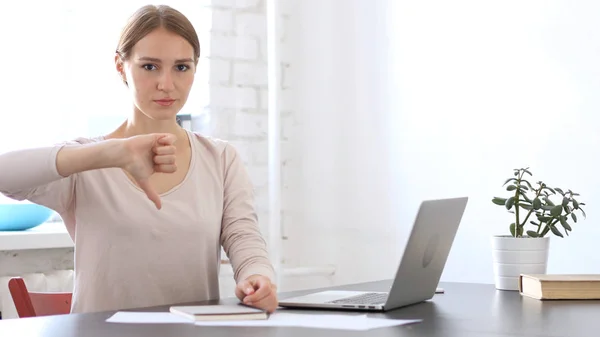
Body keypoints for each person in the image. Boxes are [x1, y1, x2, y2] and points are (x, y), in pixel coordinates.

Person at [0, 4, 278, 314]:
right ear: (121, 66)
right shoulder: (86, 161)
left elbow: (243, 236)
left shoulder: (221, 158)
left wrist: (257, 277)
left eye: (181, 67)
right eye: (149, 66)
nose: (166, 84)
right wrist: (113, 152)